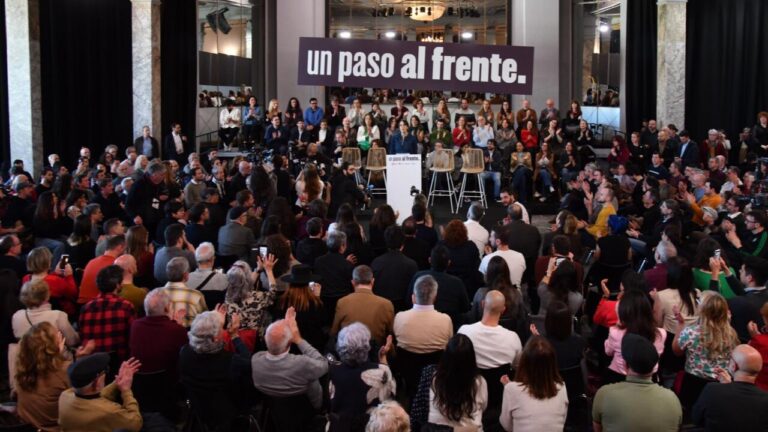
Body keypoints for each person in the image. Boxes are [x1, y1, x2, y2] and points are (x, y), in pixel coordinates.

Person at [592, 333, 682, 432]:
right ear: (653, 367)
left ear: (624, 365)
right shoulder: (672, 399)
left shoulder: (604, 394)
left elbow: (598, 429)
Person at [179, 310, 252, 430]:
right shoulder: (231, 362)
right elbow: (250, 363)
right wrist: (234, 336)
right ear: (215, 338)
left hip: (199, 409)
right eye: (221, 329)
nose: (223, 331)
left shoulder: (184, 353)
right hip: (230, 413)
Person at [251, 306, 329, 409]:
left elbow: (275, 341)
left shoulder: (256, 360)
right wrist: (298, 339)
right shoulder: (303, 364)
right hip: (307, 408)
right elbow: (324, 364)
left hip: (273, 407)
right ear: (289, 344)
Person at [673, 292, 740, 409]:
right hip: (720, 384)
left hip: (693, 385)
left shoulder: (691, 332)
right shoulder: (731, 333)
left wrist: (680, 324)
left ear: (702, 310)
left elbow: (677, 351)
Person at [329, 323, 395, 431]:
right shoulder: (382, 371)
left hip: (339, 427)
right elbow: (390, 400)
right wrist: (383, 359)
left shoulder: (331, 370)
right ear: (367, 346)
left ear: (340, 347)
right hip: (372, 427)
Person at [58, 354, 143, 432]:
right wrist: (126, 391)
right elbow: (135, 423)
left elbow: (93, 400)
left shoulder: (64, 396)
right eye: (105, 371)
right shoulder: (108, 412)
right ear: (97, 382)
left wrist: (117, 382)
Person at [692, 343, 768, 430]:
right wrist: (729, 385)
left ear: (734, 366)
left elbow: (696, 419)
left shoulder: (712, 390)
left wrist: (727, 387)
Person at [499, 336, 568, 432]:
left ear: (524, 362)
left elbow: (507, 425)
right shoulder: (562, 387)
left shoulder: (511, 389)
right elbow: (561, 421)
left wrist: (509, 388)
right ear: (552, 363)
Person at [428, 334, 488, 430]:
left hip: (438, 429)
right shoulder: (479, 382)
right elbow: (484, 407)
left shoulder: (434, 378)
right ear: (471, 358)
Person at [79, 265, 135, 361]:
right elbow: (132, 337)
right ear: (117, 285)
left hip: (92, 363)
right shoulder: (126, 306)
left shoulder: (86, 308)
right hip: (119, 362)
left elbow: (82, 336)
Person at [331, 265, 394, 347]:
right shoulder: (386, 304)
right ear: (372, 281)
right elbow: (390, 334)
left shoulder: (342, 302)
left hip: (349, 352)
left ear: (353, 282)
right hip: (375, 354)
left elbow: (334, 332)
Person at [129, 289, 188, 377]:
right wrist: (179, 326)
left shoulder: (135, 325)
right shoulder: (176, 330)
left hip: (137, 381)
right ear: (167, 308)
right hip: (168, 381)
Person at [458, 290, 522, 370]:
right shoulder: (513, 338)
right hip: (501, 382)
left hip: (470, 381)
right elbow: (517, 366)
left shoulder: (464, 331)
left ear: (483, 304)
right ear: (503, 310)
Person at [394, 274, 453, 354]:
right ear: (435, 298)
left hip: (405, 365)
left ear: (413, 298)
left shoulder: (399, 317)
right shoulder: (446, 320)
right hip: (436, 365)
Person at [12, 279, 79, 347]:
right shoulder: (58, 316)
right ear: (47, 295)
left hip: (26, 356)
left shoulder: (17, 316)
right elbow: (72, 342)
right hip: (56, 356)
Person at [23, 247, 77, 318]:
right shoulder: (55, 280)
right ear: (48, 262)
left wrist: (55, 273)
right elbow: (73, 293)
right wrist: (69, 276)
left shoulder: (26, 279)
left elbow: (42, 281)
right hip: (58, 315)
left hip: (33, 314)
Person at [160, 257, 207, 328]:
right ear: (186, 275)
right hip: (189, 337)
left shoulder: (155, 295)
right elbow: (205, 320)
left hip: (162, 336)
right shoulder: (196, 295)